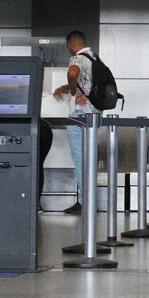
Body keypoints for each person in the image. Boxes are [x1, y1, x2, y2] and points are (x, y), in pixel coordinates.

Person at [52, 30, 97, 216]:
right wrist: (68, 87)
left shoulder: (77, 58)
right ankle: (89, 200)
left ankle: (83, 202)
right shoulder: (94, 58)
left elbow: (73, 73)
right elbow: (85, 83)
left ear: (71, 44)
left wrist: (72, 91)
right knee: (90, 159)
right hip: (93, 113)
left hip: (79, 114)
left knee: (80, 159)